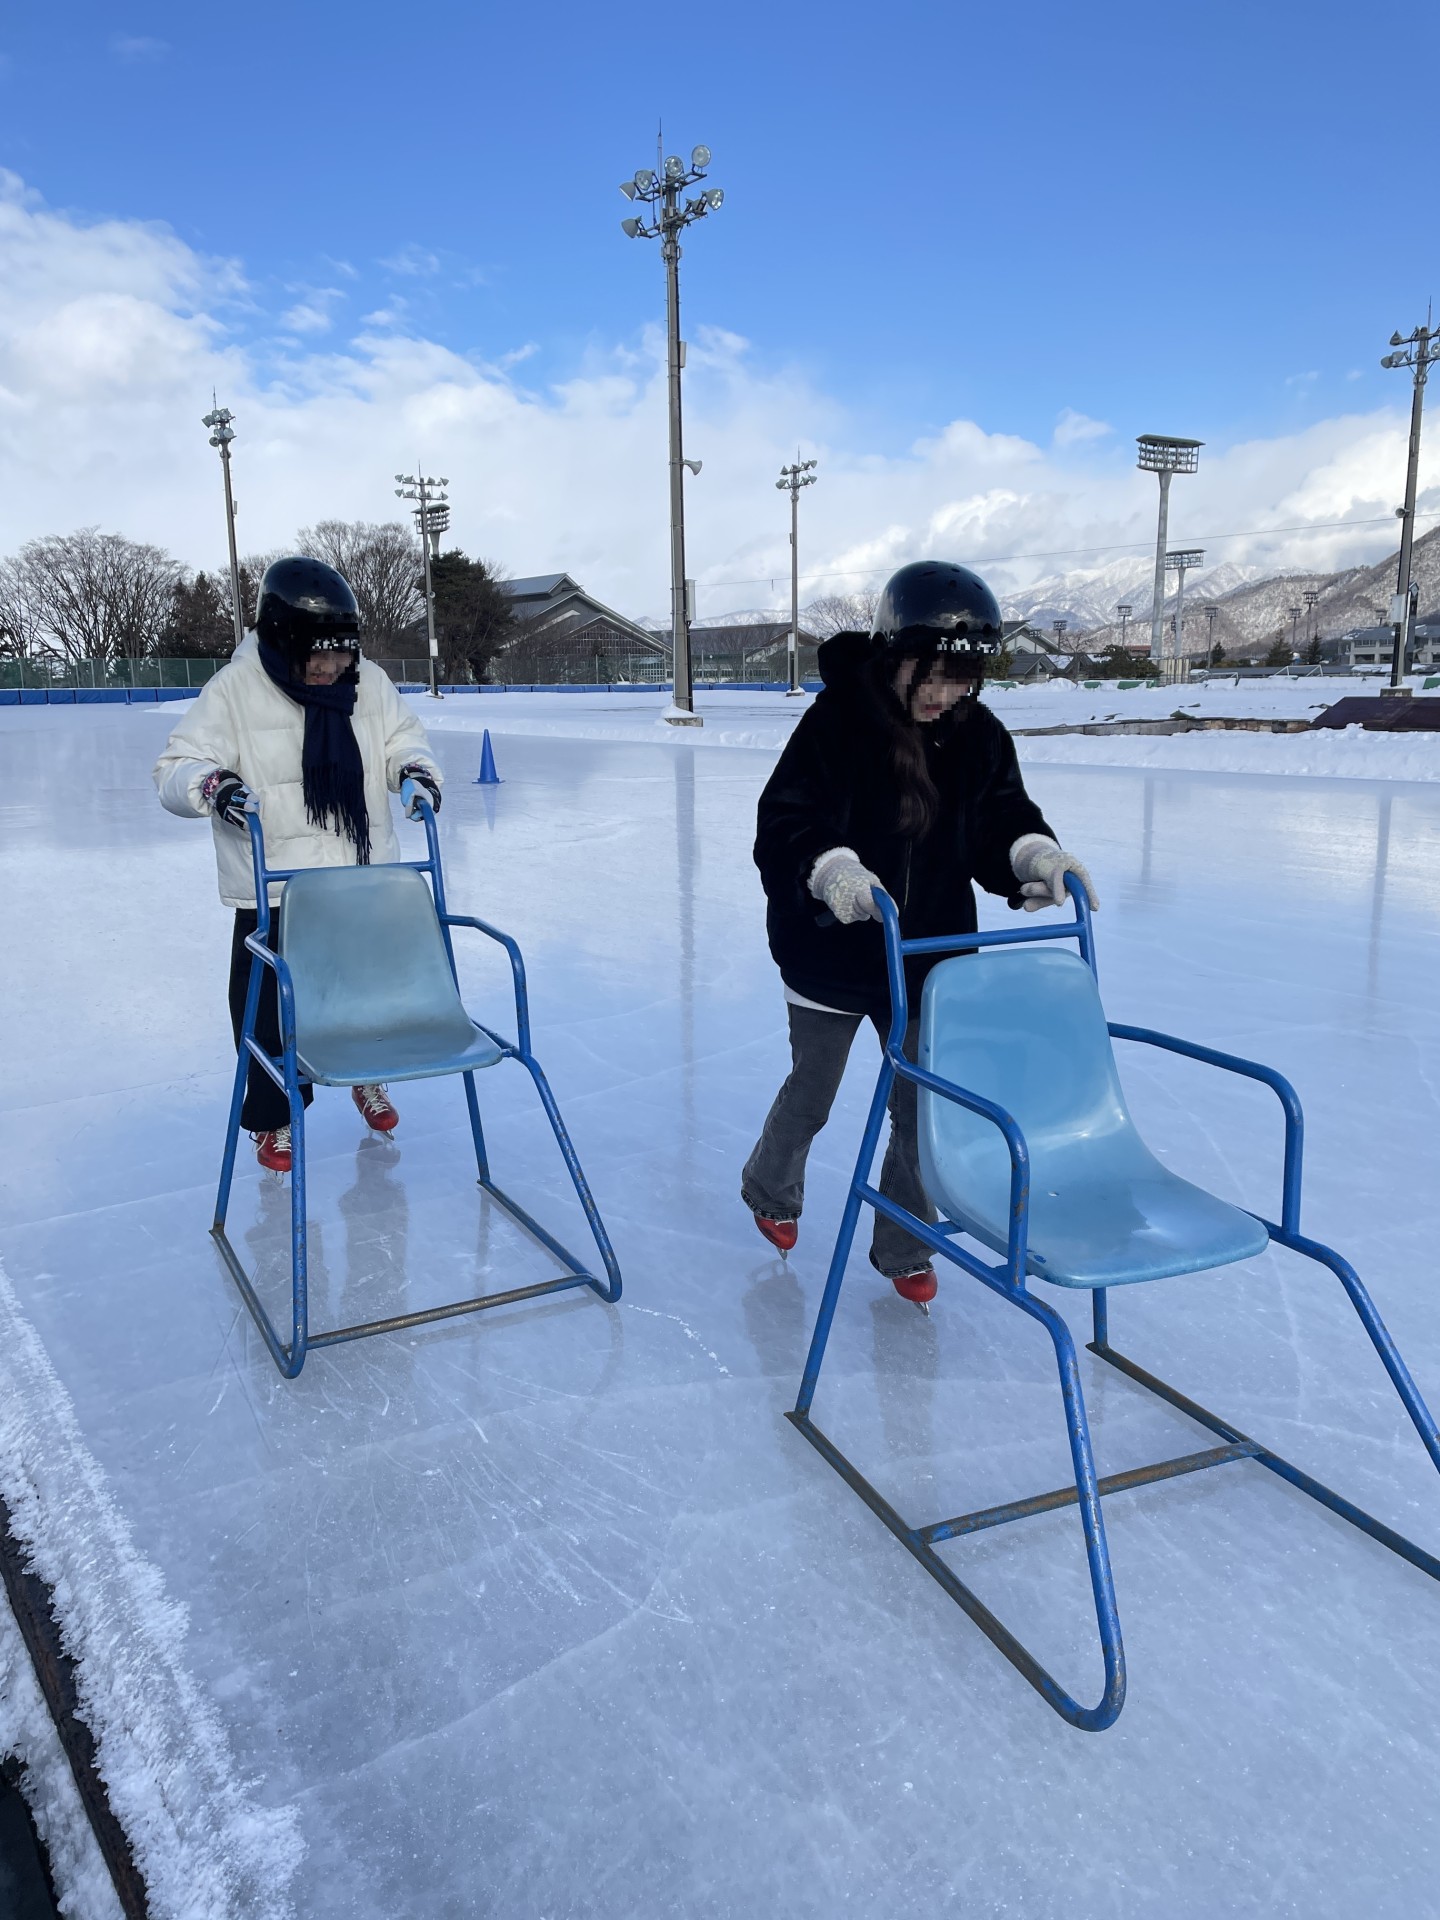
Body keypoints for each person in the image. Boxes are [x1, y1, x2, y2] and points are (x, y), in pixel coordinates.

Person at [744, 560, 1098, 1308]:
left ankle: (904, 1241)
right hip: (831, 951)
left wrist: (1034, 857)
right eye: (929, 675)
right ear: (892, 656)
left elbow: (1000, 818)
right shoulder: (837, 722)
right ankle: (769, 1187)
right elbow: (786, 820)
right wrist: (833, 870)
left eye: (960, 679)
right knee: (813, 1092)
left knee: (920, 1110)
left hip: (929, 955)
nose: (943, 694)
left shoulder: (978, 735)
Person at [154, 556, 444, 1174]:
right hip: (278, 887)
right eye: (318, 656)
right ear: (281, 639)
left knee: (367, 995)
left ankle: (366, 1073)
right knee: (269, 1012)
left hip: (359, 877)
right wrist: (214, 785)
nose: (332, 668)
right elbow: (176, 766)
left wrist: (414, 770)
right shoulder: (234, 689)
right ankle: (276, 1115)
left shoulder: (369, 681)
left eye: (341, 654)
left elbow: (401, 739)